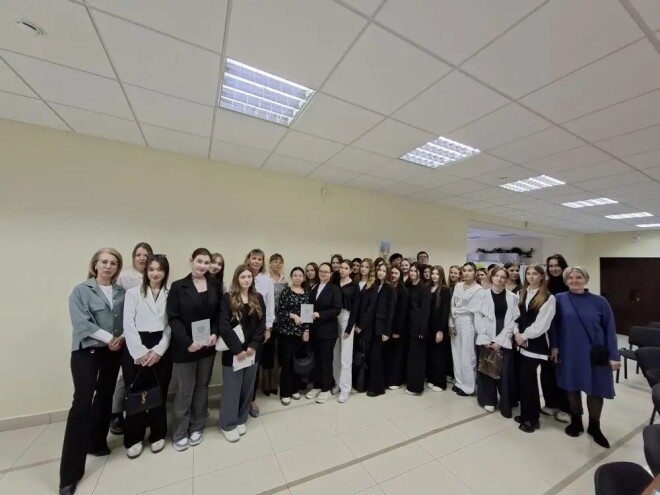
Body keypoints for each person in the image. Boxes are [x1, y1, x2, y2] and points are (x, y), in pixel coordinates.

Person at [59, 248, 125, 495]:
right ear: (95, 265)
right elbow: (81, 323)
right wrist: (110, 338)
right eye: (104, 262)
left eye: (113, 263)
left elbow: (128, 320)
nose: (108, 266)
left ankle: (96, 443)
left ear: (118, 268)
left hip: (113, 352)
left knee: (105, 396)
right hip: (87, 351)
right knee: (82, 403)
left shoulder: (122, 292)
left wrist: (120, 339)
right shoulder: (81, 291)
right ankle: (69, 475)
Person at [554, 266, 621, 448]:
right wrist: (554, 347)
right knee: (572, 387)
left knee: (595, 389)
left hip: (595, 353)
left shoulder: (600, 302)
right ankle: (576, 421)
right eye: (571, 278)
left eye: (579, 277)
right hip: (569, 351)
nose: (575, 280)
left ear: (586, 279)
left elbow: (610, 329)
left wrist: (614, 355)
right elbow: (553, 326)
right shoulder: (559, 299)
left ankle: (594, 426)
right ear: (566, 280)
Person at [167, 248, 221, 451]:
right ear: (191, 260)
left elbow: (219, 314)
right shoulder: (178, 286)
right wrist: (187, 342)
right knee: (185, 390)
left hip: (207, 345)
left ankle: (197, 426)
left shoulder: (214, 284)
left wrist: (215, 333)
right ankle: (180, 431)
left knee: (202, 386)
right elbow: (173, 318)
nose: (203, 266)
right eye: (199, 261)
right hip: (186, 347)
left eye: (207, 263)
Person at [121, 254, 172, 458]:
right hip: (136, 345)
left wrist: (159, 350)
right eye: (151, 269)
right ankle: (134, 438)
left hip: (161, 346)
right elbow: (128, 323)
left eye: (159, 269)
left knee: (159, 391)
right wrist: (140, 352)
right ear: (146, 271)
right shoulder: (133, 293)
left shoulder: (170, 293)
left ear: (165, 272)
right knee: (136, 393)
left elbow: (170, 325)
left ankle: (158, 434)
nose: (155, 273)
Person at [219, 265, 266, 443]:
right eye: (243, 277)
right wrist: (237, 349)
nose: (246, 280)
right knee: (232, 389)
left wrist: (254, 345)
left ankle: (241, 419)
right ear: (237, 279)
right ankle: (228, 424)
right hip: (234, 352)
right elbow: (223, 325)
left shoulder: (258, 298)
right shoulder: (228, 298)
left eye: (249, 277)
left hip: (252, 351)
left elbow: (262, 324)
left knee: (247, 387)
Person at [112, 241, 153, 435]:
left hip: (149, 333)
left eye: (146, 255)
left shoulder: (154, 275)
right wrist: (122, 334)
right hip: (128, 333)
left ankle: (142, 410)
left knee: (144, 375)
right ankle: (116, 413)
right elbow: (120, 308)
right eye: (139, 255)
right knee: (125, 376)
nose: (142, 258)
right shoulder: (124, 277)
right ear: (133, 257)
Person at [513, 263, 556, 434]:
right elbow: (516, 316)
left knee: (529, 381)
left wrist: (524, 336)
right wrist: (517, 333)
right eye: (528, 274)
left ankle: (532, 419)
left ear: (542, 276)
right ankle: (528, 414)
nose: (531, 276)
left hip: (536, 345)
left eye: (535, 274)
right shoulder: (522, 292)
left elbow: (542, 325)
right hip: (521, 342)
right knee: (525, 381)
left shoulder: (548, 297)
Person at [474, 267, 518, 417]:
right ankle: (488, 400)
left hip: (504, 335)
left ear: (506, 279)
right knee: (486, 368)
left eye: (503, 277)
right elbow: (477, 317)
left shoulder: (513, 297)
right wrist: (485, 338)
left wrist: (501, 339)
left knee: (504, 371)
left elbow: (513, 320)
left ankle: (506, 402)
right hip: (486, 335)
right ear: (491, 277)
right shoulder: (482, 295)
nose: (499, 279)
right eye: (497, 276)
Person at [540, 254, 572, 424]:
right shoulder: (545, 286)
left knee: (563, 372)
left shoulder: (569, 286)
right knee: (547, 372)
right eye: (551, 265)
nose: (554, 268)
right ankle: (551, 404)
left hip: (564, 335)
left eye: (557, 265)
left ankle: (566, 408)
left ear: (563, 266)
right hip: (546, 335)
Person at [244, 249, 275, 418]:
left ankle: (251, 399)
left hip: (259, 326)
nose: (256, 261)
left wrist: (268, 328)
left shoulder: (267, 280)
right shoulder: (241, 274)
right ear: (248, 259)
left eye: (260, 259)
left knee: (254, 365)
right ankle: (238, 397)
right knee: (240, 362)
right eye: (254, 258)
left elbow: (270, 305)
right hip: (241, 326)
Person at [306, 262, 342, 404]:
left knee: (326, 360)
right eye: (321, 271)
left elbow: (337, 309)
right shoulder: (314, 288)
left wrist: (320, 314)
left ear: (331, 274)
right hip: (315, 331)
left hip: (328, 332)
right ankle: (317, 386)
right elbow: (309, 307)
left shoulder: (334, 289)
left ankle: (326, 389)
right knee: (317, 360)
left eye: (326, 272)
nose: (323, 273)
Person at [361, 263, 396, 397]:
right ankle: (374, 384)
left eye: (383, 271)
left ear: (387, 273)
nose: (380, 272)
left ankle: (377, 388)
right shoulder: (374, 286)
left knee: (377, 357)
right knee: (372, 357)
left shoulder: (390, 288)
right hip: (372, 327)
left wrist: (387, 331)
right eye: (379, 270)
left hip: (382, 328)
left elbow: (391, 312)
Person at [276, 267, 310, 405]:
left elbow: (308, 314)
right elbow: (280, 312)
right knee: (287, 363)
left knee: (297, 363)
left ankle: (294, 389)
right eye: (295, 275)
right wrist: (293, 316)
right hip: (286, 332)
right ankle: (285, 392)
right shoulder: (286, 292)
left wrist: (306, 330)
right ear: (291, 277)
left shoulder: (306, 293)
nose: (297, 277)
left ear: (303, 278)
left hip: (300, 334)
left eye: (300, 275)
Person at [450, 262, 483, 397]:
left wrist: (456, 310)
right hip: (455, 321)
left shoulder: (478, 289)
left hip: (468, 323)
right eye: (464, 270)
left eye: (469, 270)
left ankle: (469, 386)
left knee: (467, 355)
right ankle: (459, 382)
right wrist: (450, 323)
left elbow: (473, 308)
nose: (466, 273)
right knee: (456, 353)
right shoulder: (458, 285)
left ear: (475, 273)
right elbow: (452, 304)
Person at [334, 260, 361, 403]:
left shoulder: (355, 286)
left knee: (346, 356)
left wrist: (349, 328)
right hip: (334, 318)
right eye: (341, 267)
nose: (342, 270)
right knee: (335, 354)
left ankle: (345, 389)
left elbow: (356, 308)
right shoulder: (335, 283)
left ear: (350, 270)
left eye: (346, 268)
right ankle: (337, 383)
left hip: (347, 318)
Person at [261, 253, 286, 397]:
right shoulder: (264, 279)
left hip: (281, 322)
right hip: (267, 322)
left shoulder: (285, 280)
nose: (278, 264)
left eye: (280, 262)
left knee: (278, 354)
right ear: (270, 263)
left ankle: (275, 384)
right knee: (267, 353)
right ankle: (266, 384)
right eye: (275, 261)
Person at [405, 263, 431, 396]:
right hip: (409, 325)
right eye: (411, 270)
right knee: (411, 357)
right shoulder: (409, 285)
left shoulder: (423, 288)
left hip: (419, 327)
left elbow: (425, 310)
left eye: (415, 271)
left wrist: (422, 330)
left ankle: (416, 388)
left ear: (420, 273)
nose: (412, 273)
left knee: (417, 358)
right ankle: (409, 382)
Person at [426, 266, 451, 392]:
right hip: (428, 326)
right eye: (433, 273)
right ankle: (431, 379)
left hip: (439, 327)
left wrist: (441, 330)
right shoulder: (428, 288)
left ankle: (440, 383)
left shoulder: (445, 290)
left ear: (441, 275)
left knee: (439, 356)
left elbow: (445, 311)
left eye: (437, 274)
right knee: (431, 354)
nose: (434, 276)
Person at [386, 266, 409, 390]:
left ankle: (397, 381)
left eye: (396, 273)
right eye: (392, 273)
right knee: (390, 354)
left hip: (398, 329)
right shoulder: (389, 288)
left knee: (397, 355)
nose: (393, 275)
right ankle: (390, 378)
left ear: (400, 275)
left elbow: (402, 312)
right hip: (388, 327)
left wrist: (397, 330)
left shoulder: (403, 290)